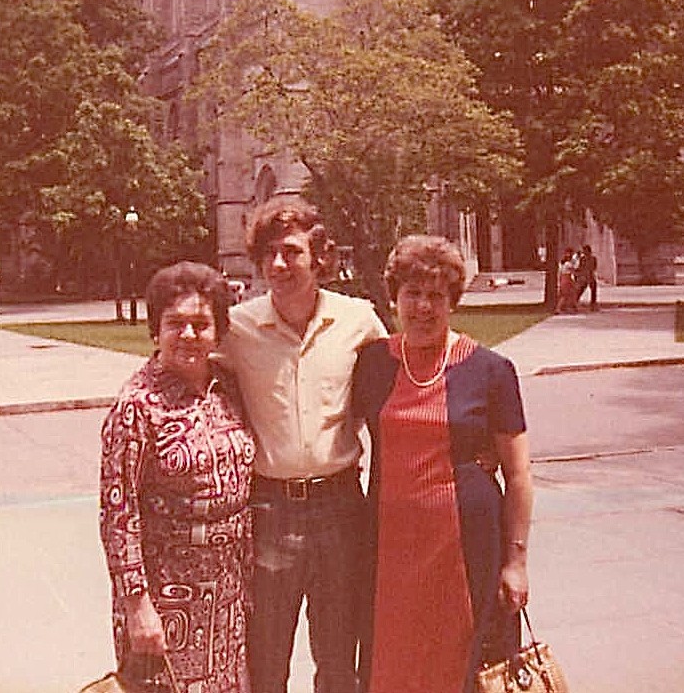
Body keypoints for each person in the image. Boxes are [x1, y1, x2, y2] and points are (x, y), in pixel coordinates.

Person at [353, 235, 533, 693]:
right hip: (388, 549)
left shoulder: (491, 371)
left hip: (467, 549)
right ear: (394, 297)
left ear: (453, 300)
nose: (423, 307)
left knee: (466, 666)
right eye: (412, 294)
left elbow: (518, 475)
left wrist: (515, 561)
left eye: (436, 295)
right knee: (392, 664)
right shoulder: (373, 364)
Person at [221, 195, 387, 693]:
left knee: (338, 661)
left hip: (340, 507)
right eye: (268, 253)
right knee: (266, 660)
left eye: (291, 251)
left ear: (319, 255)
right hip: (269, 510)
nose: (278, 264)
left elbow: (402, 392)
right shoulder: (238, 328)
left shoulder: (359, 320)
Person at [99, 262, 255, 693]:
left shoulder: (229, 389)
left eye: (201, 325)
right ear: (156, 330)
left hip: (230, 595)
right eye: (176, 324)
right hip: (166, 599)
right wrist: (137, 607)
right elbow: (117, 515)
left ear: (217, 332)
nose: (188, 335)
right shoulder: (136, 407)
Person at [574, 244, 598, 310]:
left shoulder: (593, 258)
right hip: (584, 276)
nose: (584, 252)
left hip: (590, 276)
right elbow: (580, 267)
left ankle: (593, 305)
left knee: (593, 290)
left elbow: (594, 267)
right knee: (580, 290)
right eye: (584, 250)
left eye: (585, 250)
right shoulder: (582, 258)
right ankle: (575, 302)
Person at [555, 248, 578, 313]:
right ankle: (559, 308)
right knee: (565, 295)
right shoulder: (567, 264)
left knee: (570, 294)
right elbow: (574, 269)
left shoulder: (562, 263)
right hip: (567, 279)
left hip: (564, 278)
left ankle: (570, 307)